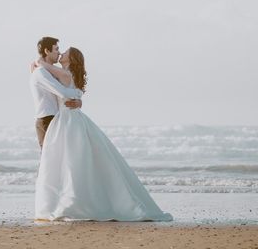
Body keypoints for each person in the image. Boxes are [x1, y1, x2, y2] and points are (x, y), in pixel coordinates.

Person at [32, 45, 172, 222]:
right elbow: (70, 89)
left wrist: (38, 63)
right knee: (76, 162)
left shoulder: (64, 73)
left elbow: (57, 81)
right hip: (71, 119)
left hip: (68, 121)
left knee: (70, 163)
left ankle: (74, 202)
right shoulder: (65, 73)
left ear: (71, 58)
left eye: (65, 52)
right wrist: (78, 97)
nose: (61, 53)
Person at [29, 37, 83, 149]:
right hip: (46, 120)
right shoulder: (41, 72)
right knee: (48, 158)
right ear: (47, 51)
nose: (59, 53)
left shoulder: (50, 71)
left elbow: (67, 86)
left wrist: (78, 101)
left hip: (56, 119)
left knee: (57, 157)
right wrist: (78, 95)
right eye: (56, 49)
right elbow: (62, 92)